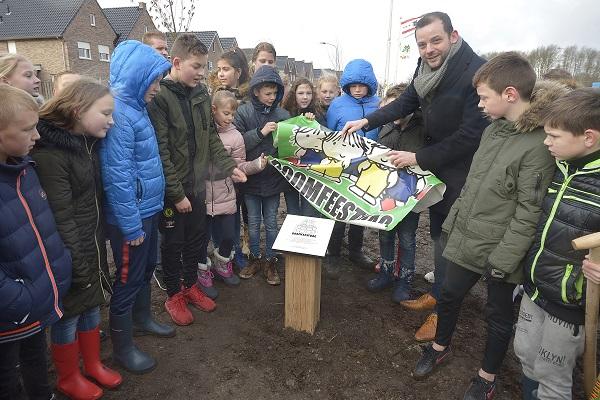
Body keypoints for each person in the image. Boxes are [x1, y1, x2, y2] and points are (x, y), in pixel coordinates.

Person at [412, 53, 564, 399]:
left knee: (497, 316)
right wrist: (454, 223)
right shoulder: (493, 130)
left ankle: (487, 375)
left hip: (501, 251)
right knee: (448, 295)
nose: (479, 104)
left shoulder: (539, 146)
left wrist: (505, 259)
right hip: (470, 237)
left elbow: (529, 210)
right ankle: (439, 348)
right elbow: (474, 184)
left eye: (484, 97)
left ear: (510, 94)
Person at [342, 11, 489, 341]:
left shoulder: (474, 72)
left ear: (453, 36)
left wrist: (418, 157)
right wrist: (367, 122)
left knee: (451, 244)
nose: (428, 49)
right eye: (422, 44)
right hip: (438, 166)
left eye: (435, 40)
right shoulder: (426, 70)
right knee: (437, 235)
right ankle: (437, 294)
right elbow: (407, 100)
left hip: (461, 171)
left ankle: (443, 315)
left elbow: (470, 135)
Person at [147, 34, 246, 326]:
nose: (203, 72)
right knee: (173, 243)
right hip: (174, 192)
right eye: (197, 66)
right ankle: (174, 294)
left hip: (198, 185)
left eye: (205, 66)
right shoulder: (161, 98)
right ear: (176, 63)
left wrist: (230, 166)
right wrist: (176, 194)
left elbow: (210, 138)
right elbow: (161, 150)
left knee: (196, 240)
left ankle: (191, 285)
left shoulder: (202, 95)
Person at [32, 79, 122, 399]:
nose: (111, 121)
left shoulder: (85, 142)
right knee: (69, 315)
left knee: (93, 307)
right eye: (106, 113)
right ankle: (68, 376)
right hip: (68, 251)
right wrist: (77, 262)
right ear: (78, 110)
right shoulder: (51, 153)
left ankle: (93, 364)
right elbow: (61, 215)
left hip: (91, 241)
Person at [514, 88, 600, 400]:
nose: (546, 142)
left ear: (588, 137)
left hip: (570, 303)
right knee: (525, 354)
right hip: (535, 288)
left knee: (553, 377)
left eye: (554, 135)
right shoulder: (558, 166)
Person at [99, 40, 174, 374]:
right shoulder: (119, 113)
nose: (157, 88)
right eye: (153, 81)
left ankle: (143, 319)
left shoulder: (136, 108)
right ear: (135, 77)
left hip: (149, 209)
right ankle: (123, 349)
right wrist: (130, 227)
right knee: (127, 279)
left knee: (144, 271)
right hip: (132, 218)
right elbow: (117, 177)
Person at [0, 84, 71, 400]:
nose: (38, 136)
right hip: (9, 311)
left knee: (36, 361)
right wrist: (18, 298)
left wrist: (60, 264)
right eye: (28, 129)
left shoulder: (25, 170)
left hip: (32, 298)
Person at [197, 90, 266, 298]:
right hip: (203, 194)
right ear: (213, 110)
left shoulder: (236, 136)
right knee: (201, 238)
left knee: (228, 235)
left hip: (225, 194)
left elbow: (239, 164)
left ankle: (223, 264)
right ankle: (202, 271)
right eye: (226, 113)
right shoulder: (202, 132)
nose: (230, 118)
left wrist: (256, 165)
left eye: (233, 115)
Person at [367, 84, 425, 303]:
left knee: (408, 239)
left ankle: (405, 279)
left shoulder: (422, 128)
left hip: (411, 197)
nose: (393, 114)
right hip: (386, 194)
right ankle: (386, 272)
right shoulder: (386, 128)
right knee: (386, 234)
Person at [234, 65, 290, 285]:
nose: (272, 97)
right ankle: (255, 259)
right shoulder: (243, 112)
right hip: (250, 179)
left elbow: (290, 148)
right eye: (268, 93)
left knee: (272, 223)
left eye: (275, 93)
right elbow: (237, 143)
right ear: (256, 91)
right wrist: (261, 132)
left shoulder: (284, 115)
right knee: (254, 222)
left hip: (273, 181)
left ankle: (271, 261)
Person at [325, 58, 380, 270]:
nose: (357, 90)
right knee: (338, 212)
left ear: (370, 85)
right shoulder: (337, 104)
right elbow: (330, 135)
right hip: (343, 166)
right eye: (353, 86)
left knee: (360, 211)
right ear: (346, 86)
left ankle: (356, 251)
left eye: (361, 85)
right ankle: (333, 253)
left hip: (371, 168)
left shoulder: (379, 104)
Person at [206, 48, 252, 270]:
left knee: (237, 212)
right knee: (221, 214)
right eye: (219, 69)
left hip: (242, 160)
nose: (221, 73)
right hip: (217, 168)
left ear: (238, 71)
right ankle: (224, 253)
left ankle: (236, 250)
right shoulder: (212, 96)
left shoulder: (248, 98)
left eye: (226, 69)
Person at [282, 78, 323, 217]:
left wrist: (312, 123)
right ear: (294, 94)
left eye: (308, 93)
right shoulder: (285, 114)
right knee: (293, 213)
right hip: (290, 171)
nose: (305, 97)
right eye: (300, 93)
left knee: (309, 212)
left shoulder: (319, 114)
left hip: (311, 173)